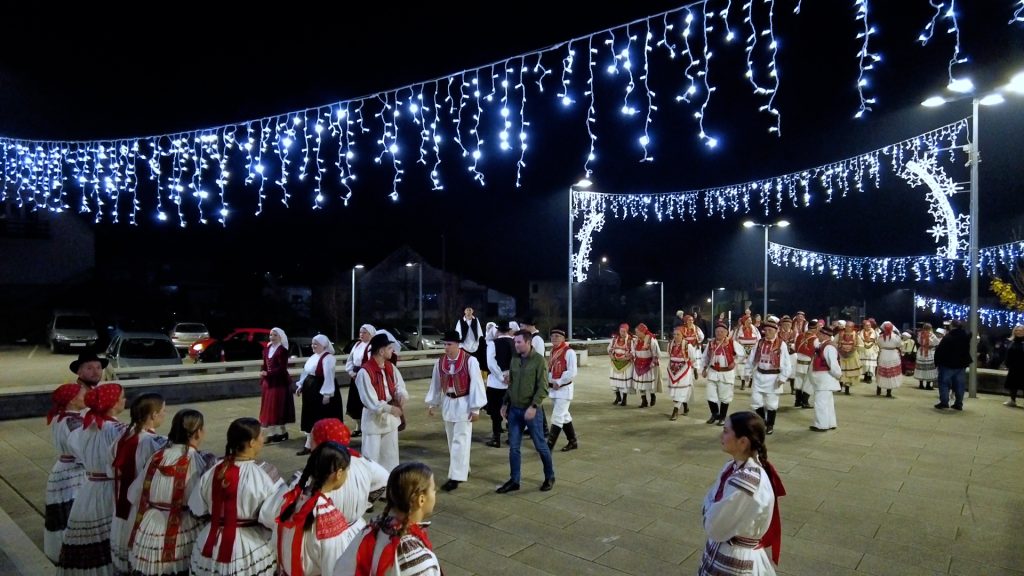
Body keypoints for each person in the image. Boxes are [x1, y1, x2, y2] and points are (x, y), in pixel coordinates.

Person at [189, 417, 283, 576]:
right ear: (251, 442)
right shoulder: (266, 473)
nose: (263, 439)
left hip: (211, 543)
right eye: (261, 435)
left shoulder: (213, 469)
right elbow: (275, 515)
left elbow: (197, 508)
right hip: (250, 547)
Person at [126, 409, 214, 576]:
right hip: (181, 529)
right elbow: (201, 505)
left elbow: (134, 494)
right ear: (198, 433)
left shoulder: (157, 457)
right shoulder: (196, 461)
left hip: (150, 529)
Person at [698, 411, 786, 576]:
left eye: (726, 431)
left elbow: (715, 524)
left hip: (735, 558)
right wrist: (711, 509)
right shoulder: (732, 466)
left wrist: (709, 511)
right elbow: (711, 502)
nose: (721, 436)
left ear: (743, 442)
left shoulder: (746, 481)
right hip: (723, 548)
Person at [57, 383, 127, 576]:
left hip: (89, 489)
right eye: (122, 397)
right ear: (113, 403)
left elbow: (77, 451)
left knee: (90, 532)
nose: (124, 400)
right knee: (109, 532)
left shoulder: (84, 428)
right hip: (108, 489)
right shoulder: (118, 430)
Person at [262, 442, 363, 576]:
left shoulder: (291, 499)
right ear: (339, 473)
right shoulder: (328, 517)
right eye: (346, 471)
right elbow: (335, 568)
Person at [333, 462, 441, 576]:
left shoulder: (372, 529)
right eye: (433, 489)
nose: (435, 492)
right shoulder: (420, 561)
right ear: (421, 500)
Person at [111, 393, 168, 574]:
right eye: (163, 411)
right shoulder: (153, 443)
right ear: (153, 415)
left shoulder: (122, 438)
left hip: (120, 504)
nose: (164, 414)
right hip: (139, 508)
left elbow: (110, 468)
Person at [424, 331, 487, 491]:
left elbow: (477, 384)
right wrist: (432, 403)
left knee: (461, 440)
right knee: (452, 439)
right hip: (448, 402)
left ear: (458, 344)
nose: (446, 347)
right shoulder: (440, 362)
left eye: (449, 344)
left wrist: (475, 408)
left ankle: (456, 476)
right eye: (445, 344)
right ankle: (463, 468)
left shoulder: (470, 360)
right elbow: (436, 383)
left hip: (464, 402)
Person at [496, 330, 555, 494]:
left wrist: (534, 407)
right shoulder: (515, 359)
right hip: (514, 410)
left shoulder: (539, 361)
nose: (515, 345)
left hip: (531, 411)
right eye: (515, 342)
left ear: (528, 342)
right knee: (514, 447)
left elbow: (543, 387)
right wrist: (505, 403)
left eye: (519, 342)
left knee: (541, 446)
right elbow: (512, 383)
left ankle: (549, 476)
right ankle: (514, 480)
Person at [305, 419, 388, 524]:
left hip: (326, 529)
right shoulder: (362, 461)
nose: (309, 445)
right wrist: (367, 502)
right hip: (356, 527)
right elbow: (385, 478)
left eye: (312, 439)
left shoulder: (315, 472)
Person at [44, 383, 87, 563]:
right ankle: (72, 552)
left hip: (62, 469)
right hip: (73, 473)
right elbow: (81, 450)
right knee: (73, 510)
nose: (86, 397)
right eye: (82, 395)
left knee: (62, 510)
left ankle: (59, 549)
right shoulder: (73, 423)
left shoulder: (60, 417)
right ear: (72, 400)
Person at [354, 333, 408, 472]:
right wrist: (389, 409)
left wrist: (401, 394)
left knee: (390, 456)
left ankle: (389, 481)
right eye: (389, 348)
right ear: (381, 351)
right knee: (371, 457)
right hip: (373, 420)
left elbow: (399, 385)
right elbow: (370, 400)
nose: (392, 351)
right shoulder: (365, 372)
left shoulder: (390, 367)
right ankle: (371, 484)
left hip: (390, 421)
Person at [296, 334, 343, 456]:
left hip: (321, 389)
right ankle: (310, 443)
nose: (313, 346)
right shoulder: (313, 357)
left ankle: (319, 444)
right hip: (311, 389)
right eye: (313, 343)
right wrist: (301, 385)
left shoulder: (328, 358)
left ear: (324, 345)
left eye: (316, 344)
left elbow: (329, 376)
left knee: (319, 416)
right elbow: (306, 372)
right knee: (310, 415)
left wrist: (327, 394)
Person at [746, 317, 792, 435]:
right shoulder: (759, 342)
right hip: (759, 375)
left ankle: (770, 424)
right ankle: (763, 421)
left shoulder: (781, 345)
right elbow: (751, 358)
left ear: (776, 331)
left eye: (770, 330)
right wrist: (747, 372)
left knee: (771, 403)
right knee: (756, 401)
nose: (767, 332)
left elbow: (787, 363)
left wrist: (783, 377)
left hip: (773, 377)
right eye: (766, 330)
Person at [702, 322, 746, 426]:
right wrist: (704, 369)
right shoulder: (711, 343)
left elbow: (742, 354)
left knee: (724, 397)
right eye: (717, 331)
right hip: (713, 372)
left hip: (726, 373)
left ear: (726, 333)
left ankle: (722, 417)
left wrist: (735, 362)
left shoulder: (732, 343)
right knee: (710, 395)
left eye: (722, 331)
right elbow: (705, 357)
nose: (719, 333)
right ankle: (714, 414)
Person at [260, 327, 295, 444]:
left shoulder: (282, 350)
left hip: (279, 382)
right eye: (271, 335)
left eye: (275, 335)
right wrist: (263, 372)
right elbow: (265, 364)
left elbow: (282, 368)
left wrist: (269, 373)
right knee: (269, 408)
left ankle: (280, 432)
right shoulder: (267, 349)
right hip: (269, 382)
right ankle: (274, 432)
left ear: (281, 337)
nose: (272, 337)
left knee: (277, 407)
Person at [546, 327, 579, 450]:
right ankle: (573, 441)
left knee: (557, 417)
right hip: (554, 389)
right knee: (564, 416)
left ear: (563, 338)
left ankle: (548, 447)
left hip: (564, 390)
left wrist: (559, 382)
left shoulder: (569, 352)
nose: (554, 338)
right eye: (552, 336)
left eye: (557, 336)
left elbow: (572, 372)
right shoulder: (552, 351)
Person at [484, 321, 515, 447]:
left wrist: (501, 377)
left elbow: (491, 363)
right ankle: (512, 437)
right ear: (508, 330)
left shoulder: (493, 343)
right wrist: (511, 375)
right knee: (511, 410)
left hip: (496, 384)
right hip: (512, 383)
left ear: (497, 331)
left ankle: (496, 438)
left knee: (495, 412)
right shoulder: (515, 342)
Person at [345, 324, 377, 438]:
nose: (361, 334)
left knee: (364, 402)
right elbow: (350, 360)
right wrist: (351, 372)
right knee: (355, 402)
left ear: (371, 334)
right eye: (360, 332)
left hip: (366, 377)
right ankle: (358, 427)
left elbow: (372, 363)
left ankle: (366, 427)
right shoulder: (357, 344)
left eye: (364, 332)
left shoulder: (372, 346)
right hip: (355, 377)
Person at [934, 319, 973, 411]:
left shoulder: (948, 337)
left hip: (947, 364)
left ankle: (944, 402)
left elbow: (940, 350)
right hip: (961, 364)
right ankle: (958, 403)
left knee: (944, 383)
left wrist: (937, 362)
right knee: (960, 384)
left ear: (952, 326)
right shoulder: (965, 336)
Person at [809, 324, 841, 431]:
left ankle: (821, 425)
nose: (818, 335)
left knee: (820, 403)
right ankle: (831, 423)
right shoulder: (824, 345)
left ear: (825, 335)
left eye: (820, 334)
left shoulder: (828, 347)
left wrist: (838, 375)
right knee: (828, 403)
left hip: (824, 380)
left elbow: (833, 364)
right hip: (823, 380)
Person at [666, 326, 701, 421]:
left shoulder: (688, 346)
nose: (675, 336)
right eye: (674, 334)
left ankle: (675, 410)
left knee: (680, 390)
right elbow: (669, 356)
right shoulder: (670, 345)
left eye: (678, 334)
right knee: (676, 390)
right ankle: (685, 406)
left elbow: (693, 358)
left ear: (682, 335)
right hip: (672, 370)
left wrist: (694, 370)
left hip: (684, 370)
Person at [631, 323, 662, 408]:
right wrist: (632, 356)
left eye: (638, 332)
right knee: (640, 384)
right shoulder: (636, 340)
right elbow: (633, 350)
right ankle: (644, 400)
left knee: (649, 383)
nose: (636, 333)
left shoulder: (651, 340)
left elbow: (656, 353)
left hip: (648, 365)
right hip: (638, 364)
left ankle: (652, 396)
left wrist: (654, 361)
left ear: (643, 332)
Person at [791, 320, 819, 410]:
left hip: (798, 361)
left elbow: (795, 347)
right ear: (815, 328)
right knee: (809, 382)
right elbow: (817, 351)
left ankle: (797, 401)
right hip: (808, 363)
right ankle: (805, 401)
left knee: (798, 380)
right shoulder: (815, 339)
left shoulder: (800, 335)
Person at [455, 306, 487, 378]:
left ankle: (474, 376)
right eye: (467, 310)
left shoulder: (476, 320)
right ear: (464, 311)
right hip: (464, 344)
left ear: (472, 311)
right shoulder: (460, 321)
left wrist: (479, 340)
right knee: (465, 361)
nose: (468, 312)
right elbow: (458, 332)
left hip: (474, 344)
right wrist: (459, 340)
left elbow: (479, 332)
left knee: (474, 362)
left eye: (470, 310)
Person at [608, 323, 634, 406]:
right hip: (615, 363)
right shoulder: (615, 339)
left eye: (624, 331)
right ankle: (618, 397)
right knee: (615, 381)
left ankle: (624, 399)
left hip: (625, 364)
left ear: (627, 331)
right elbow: (609, 349)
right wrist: (611, 355)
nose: (622, 333)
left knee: (624, 383)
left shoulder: (630, 340)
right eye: (621, 331)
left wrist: (626, 358)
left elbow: (633, 352)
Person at [875, 322, 904, 395]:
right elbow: (900, 344)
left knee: (881, 372)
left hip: (883, 354)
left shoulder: (880, 336)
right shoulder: (896, 336)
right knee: (891, 373)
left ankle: (879, 389)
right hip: (893, 354)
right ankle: (888, 392)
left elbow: (878, 344)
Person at [734, 313, 761, 390]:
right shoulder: (738, 330)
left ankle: (751, 382)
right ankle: (743, 383)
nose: (750, 322)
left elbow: (759, 339)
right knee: (742, 368)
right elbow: (735, 340)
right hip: (742, 351)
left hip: (752, 350)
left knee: (752, 366)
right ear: (744, 321)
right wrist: (738, 350)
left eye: (751, 320)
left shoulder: (755, 329)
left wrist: (756, 349)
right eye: (748, 320)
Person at [835, 321, 862, 395]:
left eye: (850, 327)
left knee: (849, 373)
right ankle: (839, 386)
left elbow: (860, 344)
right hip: (841, 355)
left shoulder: (856, 335)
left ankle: (847, 388)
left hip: (852, 356)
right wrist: (840, 348)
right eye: (847, 326)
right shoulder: (840, 334)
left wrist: (854, 348)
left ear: (853, 327)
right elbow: (834, 342)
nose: (848, 328)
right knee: (841, 371)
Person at [914, 323, 940, 391]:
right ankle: (928, 385)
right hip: (929, 352)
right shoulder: (932, 335)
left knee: (921, 368)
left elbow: (918, 341)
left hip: (921, 352)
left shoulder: (920, 334)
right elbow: (937, 342)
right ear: (930, 328)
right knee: (929, 369)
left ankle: (921, 384)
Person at [777, 316, 798, 399]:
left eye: (788, 324)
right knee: (780, 369)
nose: (786, 326)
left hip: (791, 354)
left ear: (791, 325)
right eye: (785, 324)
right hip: (781, 354)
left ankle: (793, 388)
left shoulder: (794, 333)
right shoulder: (778, 333)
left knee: (793, 371)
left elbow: (797, 343)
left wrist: (792, 345)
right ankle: (778, 387)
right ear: (782, 325)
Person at [1004, 325, 1024, 406]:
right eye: (1017, 330)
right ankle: (1012, 400)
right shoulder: (1012, 342)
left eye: (1021, 330)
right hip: (1013, 367)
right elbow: (1008, 354)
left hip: (1023, 367)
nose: (1018, 332)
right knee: (1012, 384)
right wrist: (1007, 364)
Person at [859, 318, 879, 384]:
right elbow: (859, 339)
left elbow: (875, 340)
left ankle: (869, 377)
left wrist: (869, 340)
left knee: (870, 364)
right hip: (863, 349)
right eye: (866, 325)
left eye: (869, 325)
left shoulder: (874, 332)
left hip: (872, 350)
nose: (868, 326)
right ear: (864, 326)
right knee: (864, 364)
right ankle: (865, 376)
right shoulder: (860, 332)